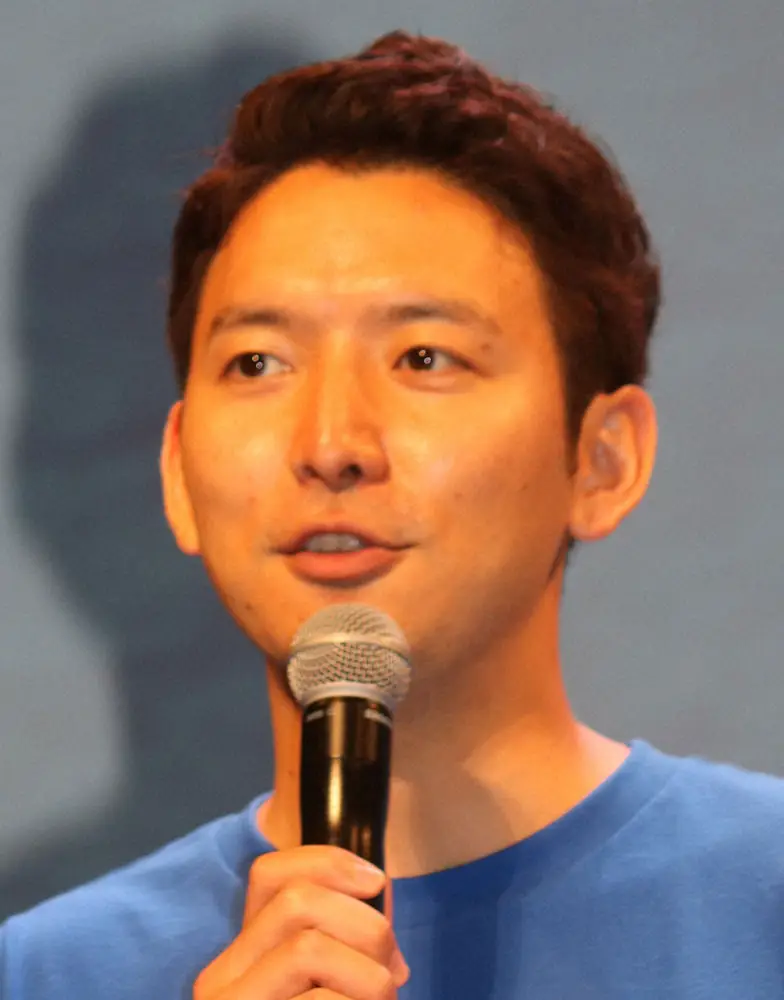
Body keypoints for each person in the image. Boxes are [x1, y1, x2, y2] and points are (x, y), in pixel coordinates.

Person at [2, 29, 783, 1000]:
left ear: (601, 460)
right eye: (258, 363)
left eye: (423, 357)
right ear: (176, 471)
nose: (331, 442)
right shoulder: (45, 973)